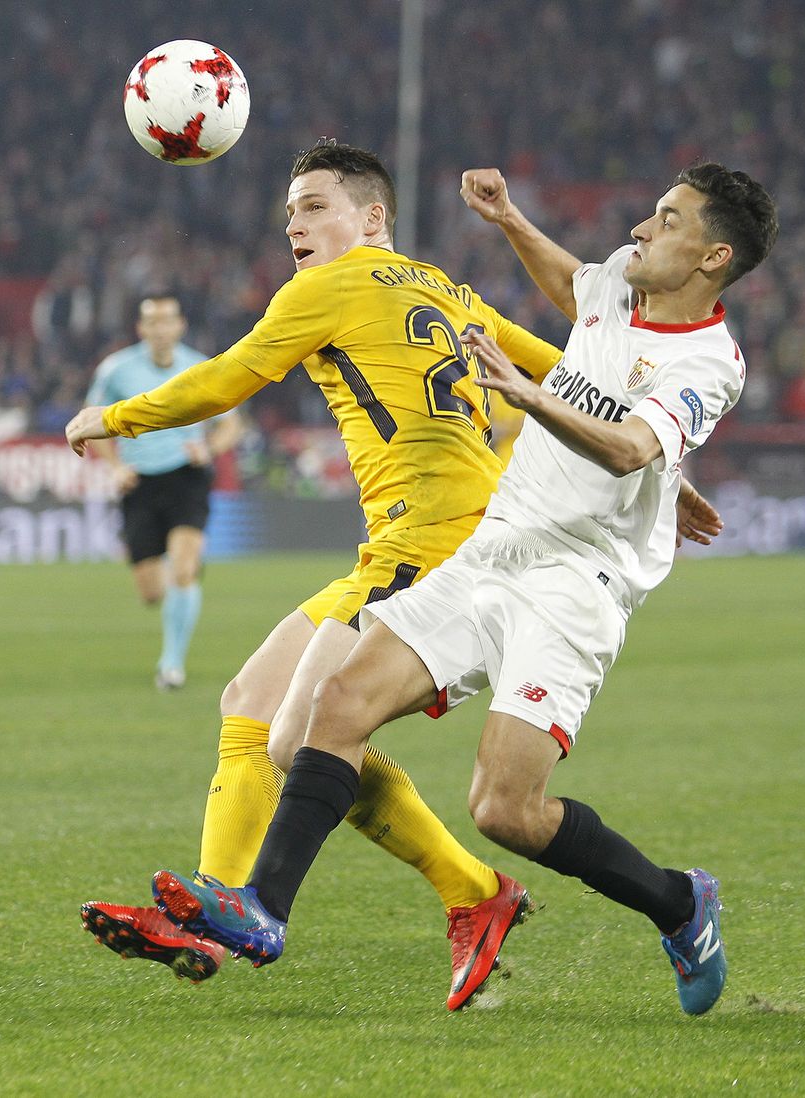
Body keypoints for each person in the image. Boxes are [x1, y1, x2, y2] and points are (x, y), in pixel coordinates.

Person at [146, 159, 777, 1017]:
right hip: (493, 549)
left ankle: (678, 903)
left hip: (576, 582)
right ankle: (262, 910)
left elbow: (630, 450)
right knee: (336, 704)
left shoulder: (711, 362)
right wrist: (511, 219)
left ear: (714, 257)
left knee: (505, 808)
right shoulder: (619, 288)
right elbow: (572, 283)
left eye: (667, 221)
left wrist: (529, 394)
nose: (641, 229)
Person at [66, 140, 568, 1009]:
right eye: (290, 212)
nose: (294, 224)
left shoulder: (329, 287)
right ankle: (215, 914)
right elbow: (564, 372)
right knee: (248, 704)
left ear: (371, 218)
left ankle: (463, 893)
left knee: (304, 737)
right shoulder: (445, 288)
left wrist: (114, 417)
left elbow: (229, 377)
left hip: (434, 547)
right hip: (410, 544)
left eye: (314, 206)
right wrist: (647, 460)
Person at [85, 294, 244, 690]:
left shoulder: (201, 367)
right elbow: (93, 421)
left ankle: (171, 665)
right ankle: (175, 580)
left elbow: (232, 426)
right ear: (141, 329)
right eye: (152, 321)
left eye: (167, 320)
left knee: (184, 569)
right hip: (139, 482)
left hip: (186, 477)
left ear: (180, 325)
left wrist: (208, 449)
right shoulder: (117, 369)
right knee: (152, 591)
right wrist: (116, 467)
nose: (160, 328)